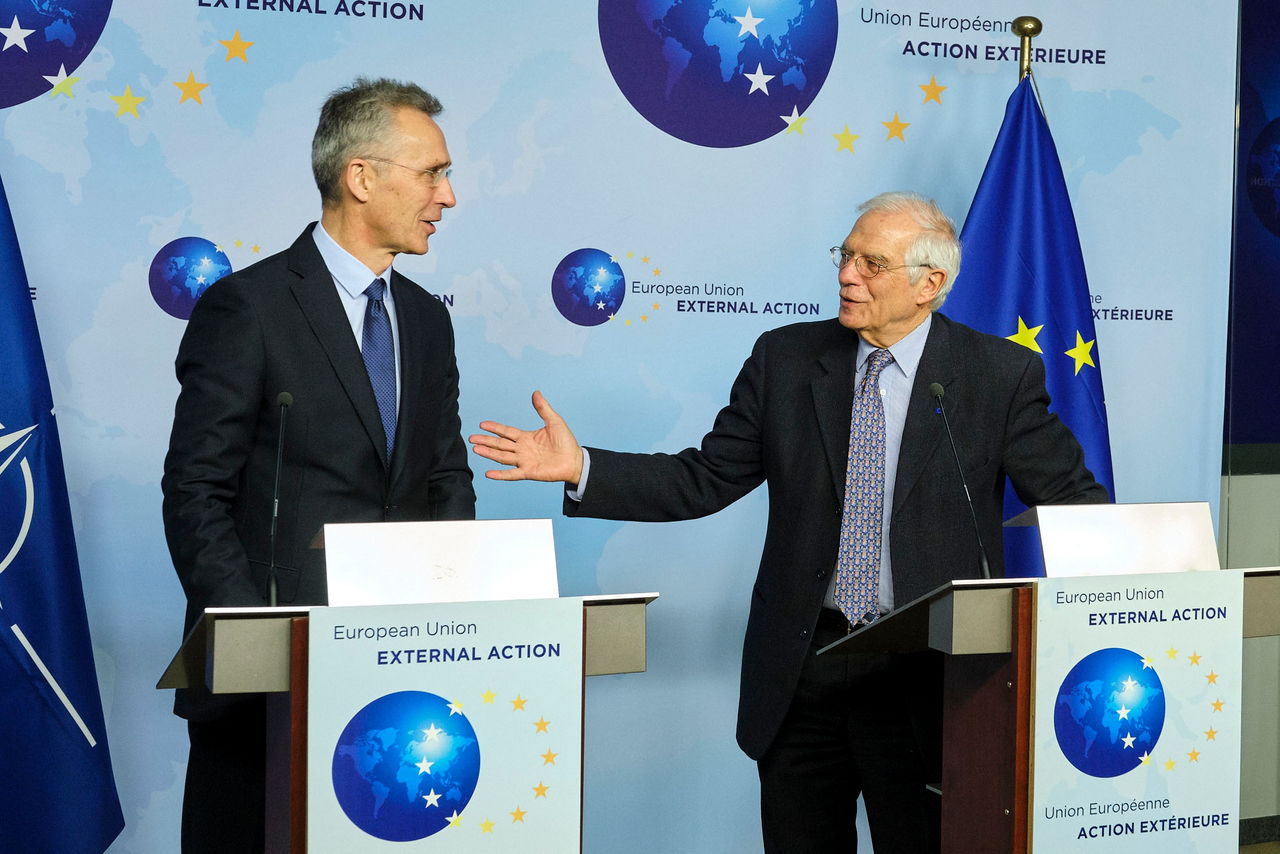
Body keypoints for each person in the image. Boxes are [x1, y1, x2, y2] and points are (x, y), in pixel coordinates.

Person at [468, 191, 1107, 853]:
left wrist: (1127, 598)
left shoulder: (994, 375)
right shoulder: (788, 360)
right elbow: (705, 477)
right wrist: (582, 467)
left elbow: (1072, 501)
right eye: (846, 255)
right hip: (806, 672)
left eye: (872, 264)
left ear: (930, 284)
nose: (847, 275)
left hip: (926, 675)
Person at [161, 77, 475, 853]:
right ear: (360, 177)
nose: (450, 195)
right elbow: (195, 490)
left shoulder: (429, 322)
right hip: (265, 691)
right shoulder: (249, 308)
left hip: (397, 690)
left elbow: (444, 478)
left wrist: (455, 617)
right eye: (432, 172)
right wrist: (257, 642)